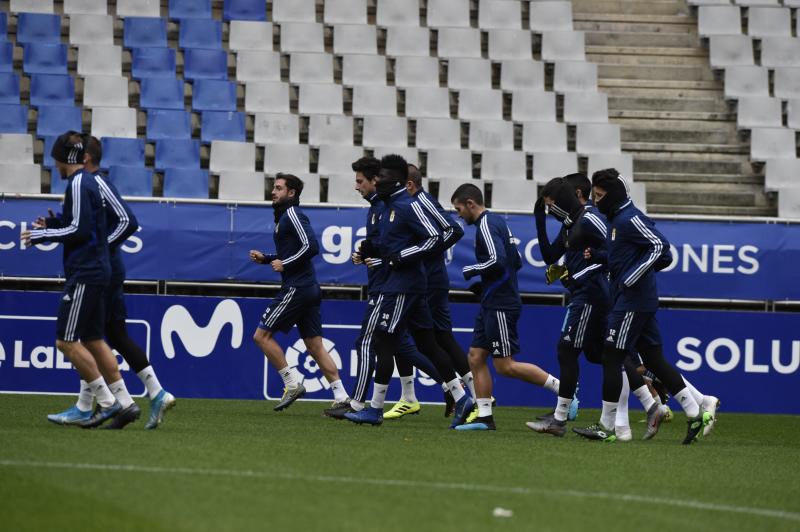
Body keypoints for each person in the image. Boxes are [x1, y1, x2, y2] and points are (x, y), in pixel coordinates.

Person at [574, 168, 715, 444]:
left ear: (613, 195)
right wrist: (602, 256)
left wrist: (631, 277)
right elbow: (629, 255)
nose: (596, 200)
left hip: (632, 302)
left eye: (600, 195)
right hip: (637, 299)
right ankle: (695, 412)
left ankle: (607, 426)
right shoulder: (617, 219)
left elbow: (660, 247)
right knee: (653, 360)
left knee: (612, 357)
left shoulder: (628, 218)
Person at [46, 135, 176, 429]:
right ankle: (146, 396)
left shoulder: (93, 182)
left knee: (90, 336)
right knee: (107, 334)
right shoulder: (86, 185)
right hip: (106, 265)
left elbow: (128, 221)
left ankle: (97, 404)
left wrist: (99, 248)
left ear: (85, 159)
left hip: (102, 267)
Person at [526, 174, 664, 441]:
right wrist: (540, 220)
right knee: (601, 355)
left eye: (551, 204)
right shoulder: (571, 222)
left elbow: (612, 252)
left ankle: (560, 417)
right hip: (586, 293)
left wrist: (578, 274)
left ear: (568, 198)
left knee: (567, 351)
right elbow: (549, 255)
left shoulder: (589, 218)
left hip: (591, 295)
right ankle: (650, 400)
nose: (549, 210)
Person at [344, 154, 473, 427]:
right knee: (427, 343)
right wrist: (373, 249)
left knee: (384, 342)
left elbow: (436, 237)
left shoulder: (407, 206)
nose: (378, 181)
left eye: (383, 177)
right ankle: (461, 397)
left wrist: (401, 257)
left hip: (403, 286)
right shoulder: (391, 205)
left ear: (398, 180)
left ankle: (375, 408)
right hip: (408, 285)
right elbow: (396, 243)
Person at [22, 131, 134, 428]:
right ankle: (124, 402)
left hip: (86, 271)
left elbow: (80, 231)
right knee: (94, 339)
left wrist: (41, 234)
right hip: (98, 269)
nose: (54, 167)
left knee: (66, 341)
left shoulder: (77, 183)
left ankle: (106, 403)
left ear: (62, 159)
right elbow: (88, 225)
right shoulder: (87, 182)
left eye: (55, 161)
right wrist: (56, 223)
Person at [324, 157, 444, 419]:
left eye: (361, 181)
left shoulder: (390, 206)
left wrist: (383, 258)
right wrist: (367, 253)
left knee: (369, 343)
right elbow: (385, 247)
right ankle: (451, 390)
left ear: (375, 180)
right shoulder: (379, 208)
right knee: (406, 346)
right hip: (389, 283)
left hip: (391, 286)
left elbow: (428, 239)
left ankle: (358, 404)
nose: (358, 187)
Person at [449, 184, 562, 431]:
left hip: (501, 304)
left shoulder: (487, 224)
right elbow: (516, 262)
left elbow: (497, 261)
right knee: (476, 357)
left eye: (458, 209)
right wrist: (487, 285)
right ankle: (484, 418)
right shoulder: (496, 223)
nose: (458, 215)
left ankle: (564, 392)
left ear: (470, 203)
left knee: (505, 365)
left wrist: (472, 271)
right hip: (493, 301)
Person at [250, 174, 348, 412]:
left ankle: (291, 384)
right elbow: (294, 251)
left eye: (278, 188)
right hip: (308, 287)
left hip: (298, 287)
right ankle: (343, 397)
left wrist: (285, 263)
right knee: (315, 346)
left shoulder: (293, 214)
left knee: (261, 337)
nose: (273, 191)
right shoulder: (284, 216)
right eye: (273, 187)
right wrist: (268, 259)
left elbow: (311, 246)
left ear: (291, 193)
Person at [383, 163, 471, 419]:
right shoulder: (408, 205)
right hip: (424, 279)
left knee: (428, 338)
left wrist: (421, 253)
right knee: (417, 337)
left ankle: (461, 390)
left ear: (409, 185)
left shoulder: (422, 201)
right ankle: (411, 396)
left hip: (429, 281)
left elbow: (452, 230)